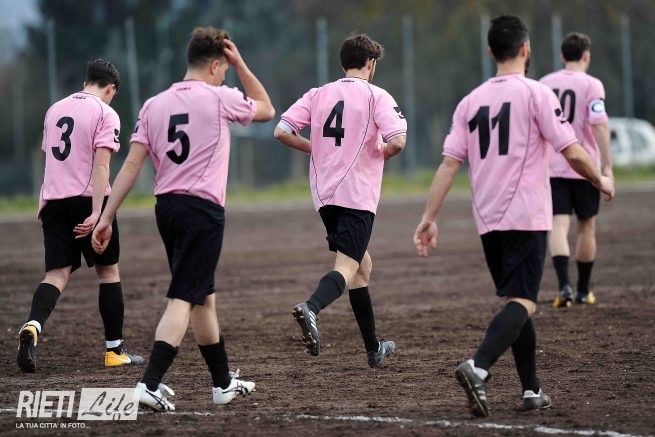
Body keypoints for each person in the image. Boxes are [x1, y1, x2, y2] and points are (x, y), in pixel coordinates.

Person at [413, 15, 614, 417]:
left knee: (517, 302)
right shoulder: (537, 94)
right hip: (525, 214)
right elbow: (572, 150)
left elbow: (449, 164)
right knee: (523, 301)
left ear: (491, 52)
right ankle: (478, 366)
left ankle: (531, 390)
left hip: (488, 219)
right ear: (525, 49)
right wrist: (600, 179)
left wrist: (429, 217)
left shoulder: (469, 101)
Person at [92, 27, 275, 411]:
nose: (225, 76)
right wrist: (241, 64)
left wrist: (106, 216)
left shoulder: (153, 105)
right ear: (215, 65)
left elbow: (131, 166)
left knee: (202, 296)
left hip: (167, 209)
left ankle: (222, 383)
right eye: (224, 70)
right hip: (201, 211)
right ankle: (149, 383)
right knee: (184, 297)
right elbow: (266, 108)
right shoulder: (221, 97)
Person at [274, 33, 407, 368]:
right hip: (356, 195)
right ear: (371, 63)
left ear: (343, 63)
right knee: (347, 267)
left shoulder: (318, 93)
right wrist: (381, 153)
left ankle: (374, 348)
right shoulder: (376, 95)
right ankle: (311, 307)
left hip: (324, 194)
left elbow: (282, 131)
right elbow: (397, 141)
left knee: (362, 265)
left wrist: (314, 148)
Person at [17, 58, 143, 373]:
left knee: (56, 275)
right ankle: (114, 351)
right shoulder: (106, 113)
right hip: (87, 200)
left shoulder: (54, 110)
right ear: (111, 88)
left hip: (53, 201)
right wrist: (99, 213)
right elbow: (101, 165)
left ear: (86, 82)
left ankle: (33, 325)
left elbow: (52, 160)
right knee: (108, 272)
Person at [540, 32, 613, 307]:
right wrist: (607, 166)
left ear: (562, 56)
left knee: (558, 225)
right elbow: (599, 123)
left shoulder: (544, 83)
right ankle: (583, 291)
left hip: (553, 167)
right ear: (586, 55)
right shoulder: (592, 84)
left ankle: (564, 288)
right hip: (584, 166)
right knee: (586, 226)